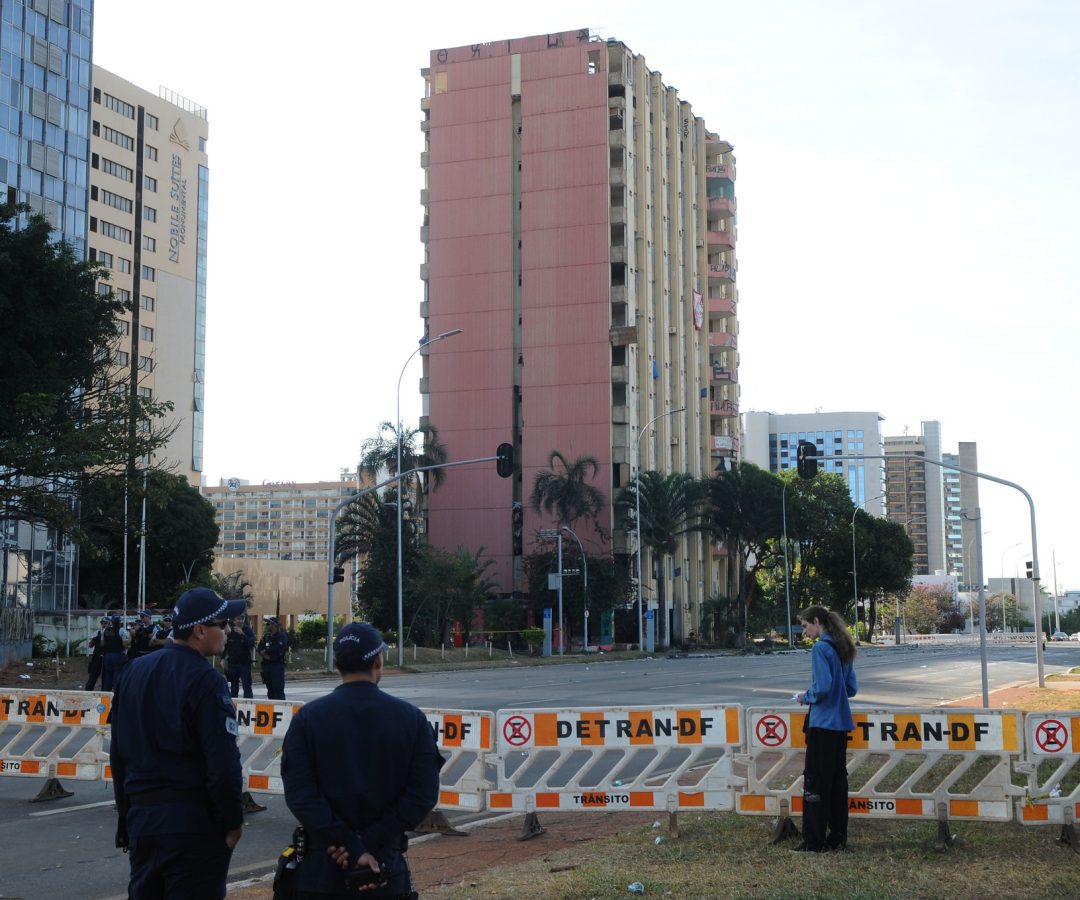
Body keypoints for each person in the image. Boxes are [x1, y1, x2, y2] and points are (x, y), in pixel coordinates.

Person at [281, 623, 443, 899]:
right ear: (378, 660)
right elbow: (422, 795)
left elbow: (300, 795)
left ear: (336, 663)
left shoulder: (308, 719)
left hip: (322, 869)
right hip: (383, 869)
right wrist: (369, 845)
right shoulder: (411, 719)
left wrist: (351, 846)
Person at [109, 587, 248, 899]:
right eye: (222, 624)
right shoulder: (206, 679)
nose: (227, 631)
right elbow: (223, 764)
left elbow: (118, 754)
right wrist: (232, 822)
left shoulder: (134, 671)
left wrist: (126, 820)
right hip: (192, 825)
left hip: (144, 822)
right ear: (199, 631)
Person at [792, 604, 858, 853]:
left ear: (817, 621)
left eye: (805, 625)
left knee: (816, 782)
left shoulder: (820, 649)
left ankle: (813, 840)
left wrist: (804, 696)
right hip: (841, 724)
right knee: (837, 783)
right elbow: (851, 689)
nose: (805, 631)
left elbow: (822, 688)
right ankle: (837, 836)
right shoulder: (843, 648)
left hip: (822, 724)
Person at [224, 614, 255, 699]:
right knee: (233, 688)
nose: (240, 621)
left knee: (247, 687)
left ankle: (249, 705)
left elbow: (251, 644)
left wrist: (242, 634)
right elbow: (225, 646)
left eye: (242, 619)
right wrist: (223, 658)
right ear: (234, 621)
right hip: (233, 664)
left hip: (244, 663)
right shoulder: (230, 631)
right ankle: (233, 706)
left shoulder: (248, 630)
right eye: (238, 619)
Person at [258, 617, 289, 700]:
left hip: (277, 665)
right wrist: (262, 652)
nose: (267, 626)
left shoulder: (281, 636)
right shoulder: (266, 636)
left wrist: (266, 650)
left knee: (278, 689)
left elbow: (279, 647)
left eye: (269, 624)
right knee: (270, 690)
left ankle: (282, 709)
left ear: (274, 625)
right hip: (267, 666)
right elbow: (260, 647)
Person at [100, 615, 129, 691]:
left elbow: (102, 644)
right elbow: (124, 645)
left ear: (111, 622)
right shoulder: (122, 630)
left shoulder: (105, 630)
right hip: (118, 656)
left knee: (108, 677)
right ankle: (116, 698)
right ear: (119, 622)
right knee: (117, 677)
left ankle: (107, 697)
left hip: (107, 656)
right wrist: (130, 641)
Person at [84, 616, 110, 691]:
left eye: (105, 623)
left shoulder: (111, 633)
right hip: (97, 656)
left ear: (109, 624)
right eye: (102, 623)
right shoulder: (97, 632)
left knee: (105, 676)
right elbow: (90, 645)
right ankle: (88, 691)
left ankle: (104, 692)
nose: (104, 625)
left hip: (106, 657)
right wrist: (93, 639)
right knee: (93, 675)